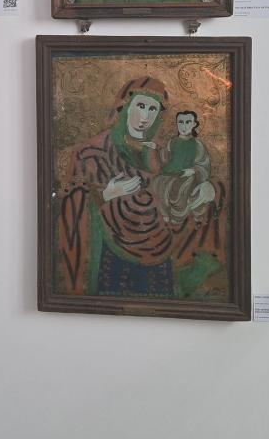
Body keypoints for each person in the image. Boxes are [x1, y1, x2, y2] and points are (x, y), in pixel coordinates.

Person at [56, 78, 221, 299]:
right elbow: (71, 204)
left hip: (160, 253)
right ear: (124, 107)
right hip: (110, 254)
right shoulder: (92, 152)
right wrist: (107, 194)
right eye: (140, 106)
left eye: (152, 109)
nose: (145, 117)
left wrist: (204, 189)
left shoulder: (164, 153)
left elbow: (179, 189)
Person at [154, 111, 216, 226]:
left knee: (183, 186)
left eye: (188, 122)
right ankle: (165, 212)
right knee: (159, 182)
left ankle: (178, 215)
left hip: (189, 176)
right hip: (170, 173)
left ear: (194, 124)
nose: (184, 126)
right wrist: (156, 149)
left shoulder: (197, 145)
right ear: (177, 123)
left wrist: (193, 171)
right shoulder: (172, 142)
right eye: (181, 122)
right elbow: (165, 157)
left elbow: (203, 164)